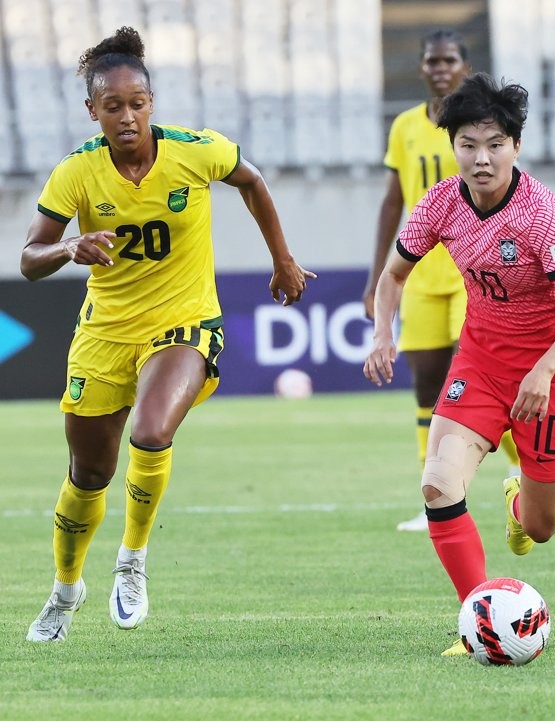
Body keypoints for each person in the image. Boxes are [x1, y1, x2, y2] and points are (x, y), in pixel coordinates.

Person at [21, 27, 314, 642]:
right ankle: (65, 589)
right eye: (112, 107)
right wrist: (70, 245)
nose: (127, 117)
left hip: (183, 324)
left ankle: (132, 560)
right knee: (88, 474)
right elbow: (29, 257)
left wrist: (283, 260)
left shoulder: (195, 150)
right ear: (92, 110)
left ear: (151, 102)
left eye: (137, 104)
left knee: (151, 431)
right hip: (104, 333)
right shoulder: (77, 172)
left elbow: (253, 183)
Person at [364, 72, 555, 657]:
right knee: (438, 482)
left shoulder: (540, 214)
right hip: (481, 361)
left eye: (494, 144)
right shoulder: (440, 203)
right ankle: (479, 621)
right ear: (454, 148)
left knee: (543, 527)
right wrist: (380, 334)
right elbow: (393, 276)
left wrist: (544, 370)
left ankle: (520, 501)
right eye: (468, 144)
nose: (481, 158)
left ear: (516, 147)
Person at [363, 30, 521, 533]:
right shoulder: (406, 127)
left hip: (472, 274)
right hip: (422, 276)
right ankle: (432, 491)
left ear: (463, 66)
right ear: (422, 68)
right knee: (427, 385)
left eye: (448, 59)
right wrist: (376, 278)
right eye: (431, 61)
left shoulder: (481, 127)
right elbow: (392, 202)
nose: (438, 68)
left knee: (482, 380)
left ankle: (522, 469)